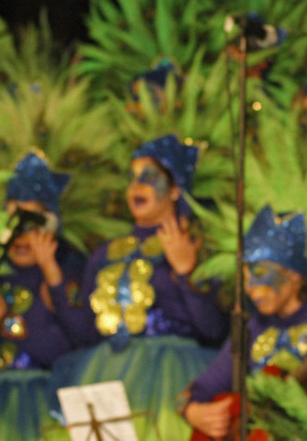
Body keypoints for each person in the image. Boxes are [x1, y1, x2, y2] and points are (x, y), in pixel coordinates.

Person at [49, 134, 228, 441]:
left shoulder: (199, 246)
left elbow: (213, 330)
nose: (136, 186)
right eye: (132, 178)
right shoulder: (105, 254)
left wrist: (186, 271)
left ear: (174, 189)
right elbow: (86, 335)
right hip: (104, 375)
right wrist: (51, 274)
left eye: (149, 177)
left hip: (171, 380)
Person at [183, 205, 307, 439]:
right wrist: (194, 412)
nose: (249, 287)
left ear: (293, 276)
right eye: (245, 275)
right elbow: (199, 390)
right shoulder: (251, 329)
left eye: (259, 273)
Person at [0, 152, 86, 440]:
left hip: (38, 414)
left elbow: (73, 353)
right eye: (12, 221)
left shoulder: (63, 278)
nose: (20, 235)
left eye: (30, 224)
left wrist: (8, 321)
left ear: (52, 225)